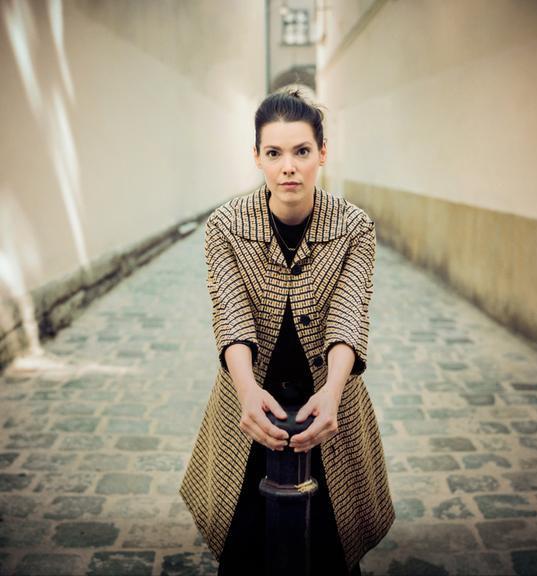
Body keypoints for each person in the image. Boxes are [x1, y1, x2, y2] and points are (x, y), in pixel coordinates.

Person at [179, 88, 396, 575]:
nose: (289, 167)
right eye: (274, 153)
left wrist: (334, 392)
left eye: (301, 151)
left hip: (331, 406)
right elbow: (231, 315)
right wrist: (246, 392)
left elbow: (349, 315)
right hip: (248, 402)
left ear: (323, 153)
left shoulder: (355, 226)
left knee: (331, 550)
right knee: (244, 548)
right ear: (256, 157)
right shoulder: (225, 225)